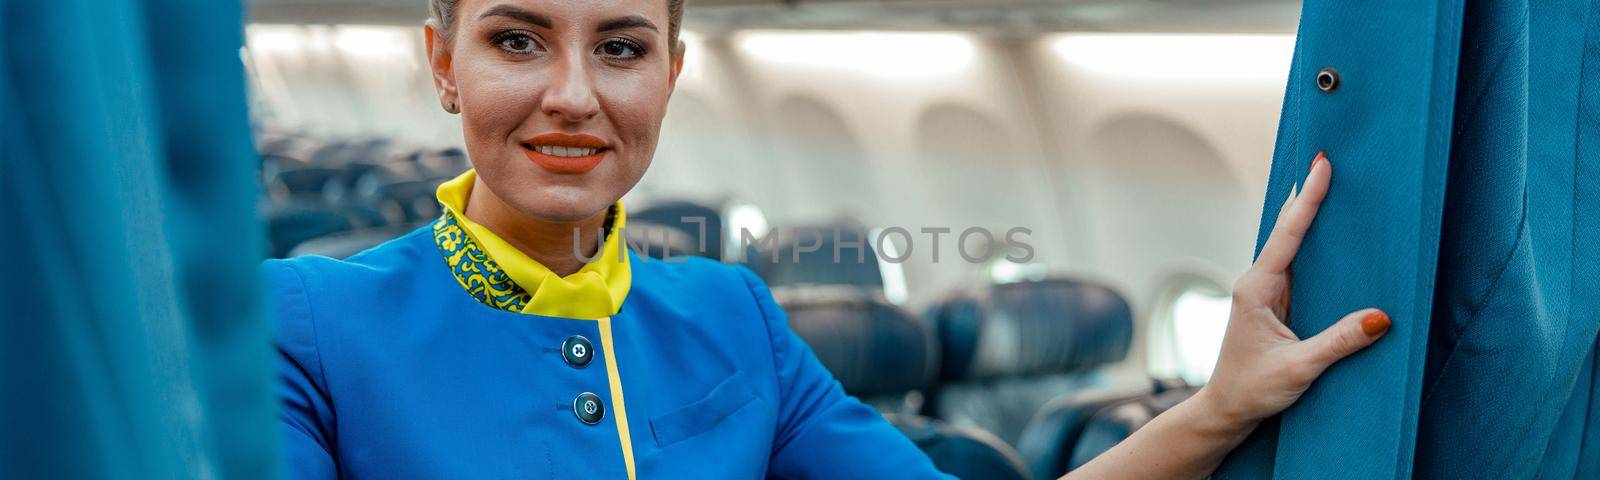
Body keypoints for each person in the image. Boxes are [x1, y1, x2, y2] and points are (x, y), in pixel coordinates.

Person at [263, 1, 1392, 478]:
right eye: (518, 39)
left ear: (670, 71)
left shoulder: (731, 319)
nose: (572, 95)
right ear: (443, 61)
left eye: (619, 47)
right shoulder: (306, 326)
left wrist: (1219, 403)